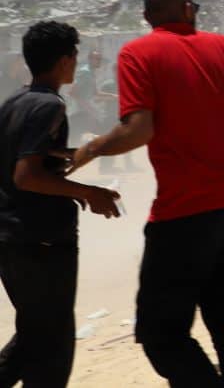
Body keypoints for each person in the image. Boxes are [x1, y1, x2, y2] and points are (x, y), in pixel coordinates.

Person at [72, 0, 224, 386]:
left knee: (161, 333)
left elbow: (137, 130)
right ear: (189, 9)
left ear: (147, 17)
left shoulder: (137, 53)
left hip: (185, 215)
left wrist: (92, 148)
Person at [0, 22, 120, 388]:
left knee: (35, 333)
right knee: (52, 348)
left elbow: (20, 159)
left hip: (12, 238)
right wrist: (87, 193)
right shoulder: (50, 105)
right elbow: (26, 175)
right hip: (42, 242)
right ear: (66, 60)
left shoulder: (13, 102)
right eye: (75, 55)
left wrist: (71, 155)